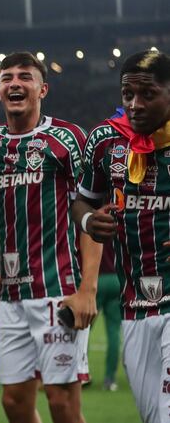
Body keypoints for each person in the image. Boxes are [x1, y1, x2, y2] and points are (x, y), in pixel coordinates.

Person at [0, 52, 99, 423]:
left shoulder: (66, 138)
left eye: (25, 77)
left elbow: (91, 214)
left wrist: (88, 289)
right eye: (7, 78)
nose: (15, 83)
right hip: (12, 296)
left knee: (62, 403)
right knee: (14, 403)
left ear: (42, 89)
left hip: (58, 289)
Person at [73, 50, 170, 423]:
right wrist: (89, 222)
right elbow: (83, 201)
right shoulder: (105, 139)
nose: (135, 104)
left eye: (147, 94)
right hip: (135, 308)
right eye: (128, 94)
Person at [96, 240, 121, 391]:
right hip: (116, 279)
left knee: (83, 329)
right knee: (114, 332)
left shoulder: (92, 226)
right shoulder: (119, 228)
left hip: (96, 279)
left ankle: (80, 375)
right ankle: (110, 379)